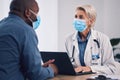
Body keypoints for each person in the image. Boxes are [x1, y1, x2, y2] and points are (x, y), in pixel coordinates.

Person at [0, 0, 58, 80]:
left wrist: (40, 68)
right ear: (27, 12)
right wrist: (51, 70)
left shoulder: (1, 25)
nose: (37, 17)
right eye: (36, 12)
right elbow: (35, 74)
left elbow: (9, 65)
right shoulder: (26, 31)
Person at [65, 4, 119, 74]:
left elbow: (111, 68)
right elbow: (66, 64)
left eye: (81, 17)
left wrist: (90, 68)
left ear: (91, 21)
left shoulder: (103, 39)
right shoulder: (68, 39)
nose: (77, 20)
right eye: (76, 17)